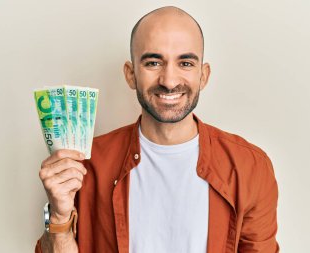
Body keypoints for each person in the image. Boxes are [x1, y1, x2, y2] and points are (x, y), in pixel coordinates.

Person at [35, 6, 279, 253]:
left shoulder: (250, 166)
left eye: (185, 63)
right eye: (153, 63)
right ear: (131, 75)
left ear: (203, 76)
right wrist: (59, 218)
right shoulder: (87, 164)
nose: (169, 81)